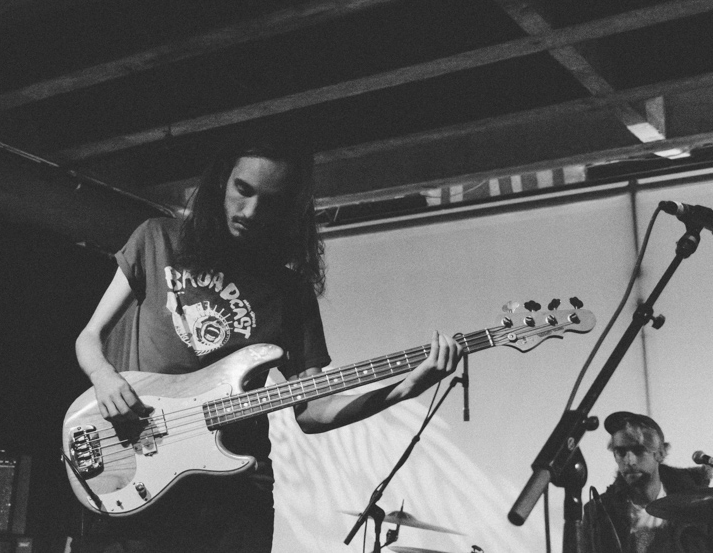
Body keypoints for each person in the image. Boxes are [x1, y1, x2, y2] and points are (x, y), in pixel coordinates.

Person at [74, 139, 462, 552]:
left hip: (235, 492)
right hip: (145, 468)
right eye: (243, 189)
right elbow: (89, 337)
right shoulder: (158, 239)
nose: (252, 212)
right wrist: (103, 376)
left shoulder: (290, 291)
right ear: (222, 180)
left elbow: (312, 410)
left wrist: (405, 389)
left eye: (272, 201)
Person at [583, 411, 713, 553]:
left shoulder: (700, 503)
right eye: (620, 452)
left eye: (638, 451)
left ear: (660, 453)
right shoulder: (600, 512)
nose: (629, 460)